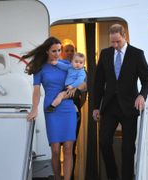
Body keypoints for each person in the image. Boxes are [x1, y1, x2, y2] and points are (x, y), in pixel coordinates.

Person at [92, 24, 148, 180]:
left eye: (118, 41)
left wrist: (142, 96)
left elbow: (147, 81)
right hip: (109, 106)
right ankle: (113, 177)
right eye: (112, 42)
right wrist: (95, 107)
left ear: (124, 36)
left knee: (127, 148)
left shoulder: (137, 54)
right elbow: (98, 84)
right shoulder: (105, 54)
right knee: (104, 142)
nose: (115, 45)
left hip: (129, 107)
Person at [22, 37, 79, 180]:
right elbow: (36, 91)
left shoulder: (66, 64)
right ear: (47, 51)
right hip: (51, 109)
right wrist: (34, 109)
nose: (57, 53)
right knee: (54, 149)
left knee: (68, 148)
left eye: (59, 50)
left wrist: (70, 91)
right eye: (54, 51)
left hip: (67, 108)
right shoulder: (40, 68)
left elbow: (83, 83)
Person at [62, 43, 87, 180]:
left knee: (71, 145)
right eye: (67, 50)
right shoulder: (61, 68)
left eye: (72, 50)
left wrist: (77, 109)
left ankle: (70, 177)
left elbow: (84, 93)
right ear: (62, 53)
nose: (70, 53)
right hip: (58, 112)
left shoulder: (82, 70)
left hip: (74, 112)